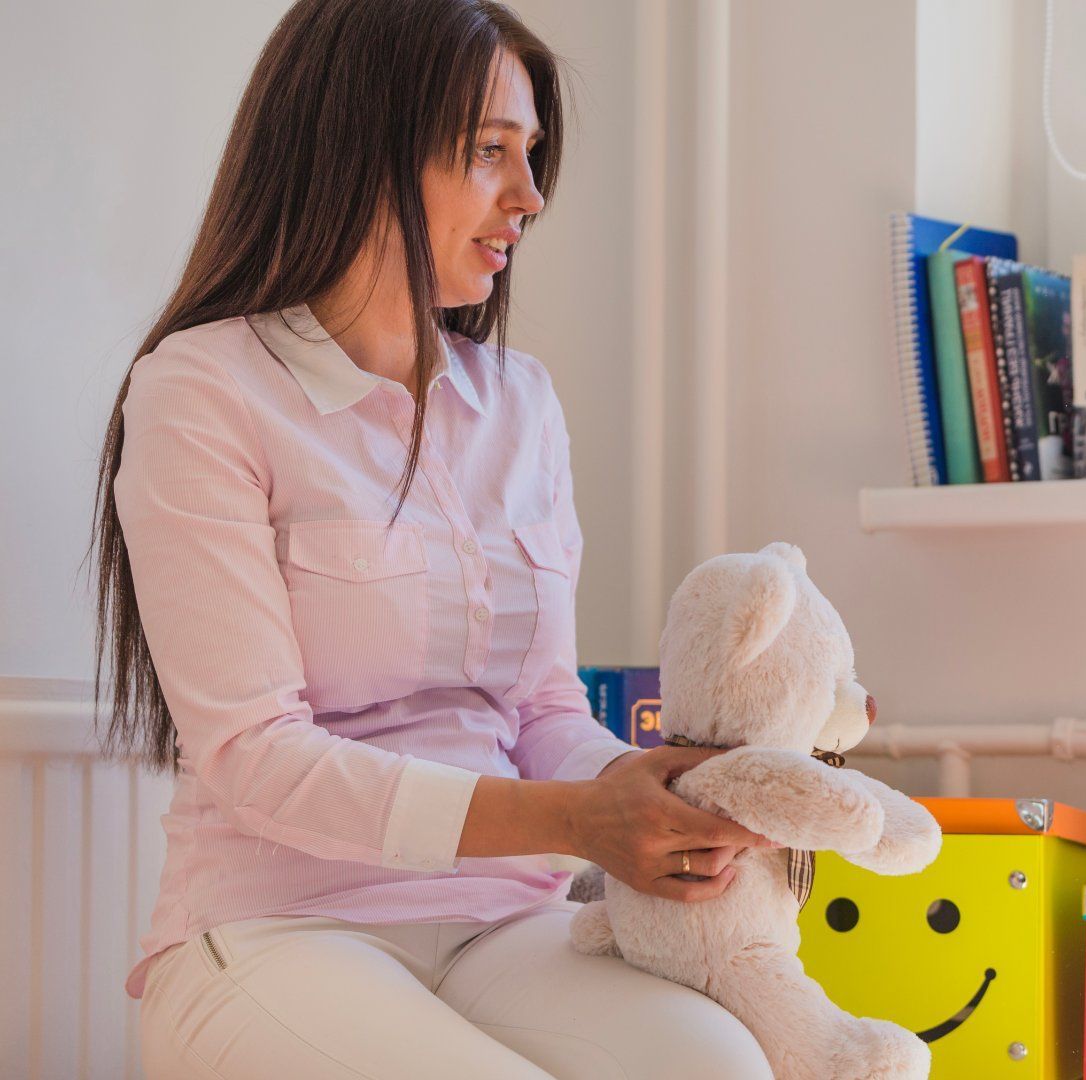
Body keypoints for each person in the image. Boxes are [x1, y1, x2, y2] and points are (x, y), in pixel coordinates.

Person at [88, 1, 776, 1075]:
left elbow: (544, 710)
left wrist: (659, 803)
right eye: (489, 152)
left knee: (722, 1065)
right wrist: (573, 817)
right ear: (361, 146)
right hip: (279, 928)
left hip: (506, 924)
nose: (530, 198)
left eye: (532, 155)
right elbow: (254, 758)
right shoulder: (203, 390)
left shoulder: (521, 405)